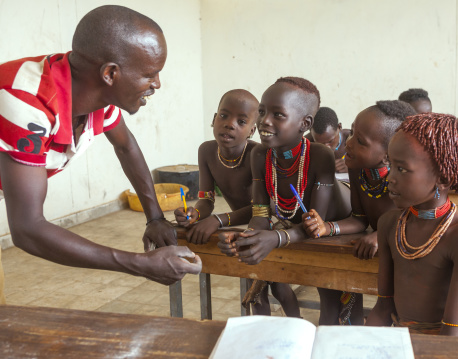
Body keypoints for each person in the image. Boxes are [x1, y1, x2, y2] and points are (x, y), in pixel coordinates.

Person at [0, 5, 202, 304]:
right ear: (110, 73)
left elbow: (126, 146)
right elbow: (28, 229)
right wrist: (139, 263)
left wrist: (155, 217)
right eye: (150, 74)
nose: (157, 84)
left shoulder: (96, 95)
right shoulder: (26, 100)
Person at [218, 77, 351, 324]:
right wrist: (244, 237)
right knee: (261, 268)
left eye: (278, 115)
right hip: (298, 226)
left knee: (330, 298)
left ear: (305, 123)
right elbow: (260, 215)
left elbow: (314, 225)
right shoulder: (260, 154)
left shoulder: (320, 155)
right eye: (262, 111)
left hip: (335, 227)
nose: (264, 120)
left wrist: (276, 237)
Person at [366, 113, 458, 338]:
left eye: (402, 169)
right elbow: (383, 309)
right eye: (390, 165)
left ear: (443, 178)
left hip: (449, 345)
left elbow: (451, 334)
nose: (389, 177)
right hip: (402, 338)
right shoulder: (389, 224)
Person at [302, 100, 416, 324]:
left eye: (360, 141)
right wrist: (327, 228)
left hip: (409, 261)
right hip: (376, 253)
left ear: (386, 155)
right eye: (352, 133)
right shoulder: (357, 169)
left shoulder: (403, 180)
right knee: (342, 289)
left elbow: (412, 222)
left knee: (398, 315)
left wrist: (380, 235)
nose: (349, 144)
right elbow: (359, 219)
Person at [174, 89, 258, 243]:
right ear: (214, 119)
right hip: (236, 221)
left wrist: (218, 220)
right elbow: (207, 200)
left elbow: (263, 209)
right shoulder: (206, 151)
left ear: (251, 131)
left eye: (241, 122)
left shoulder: (258, 155)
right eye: (224, 116)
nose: (230, 124)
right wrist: (195, 213)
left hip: (267, 225)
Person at [310, 107, 351, 173]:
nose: (326, 147)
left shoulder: (351, 139)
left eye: (330, 141)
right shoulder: (308, 142)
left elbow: (371, 162)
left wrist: (352, 167)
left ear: (339, 127)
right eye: (320, 143)